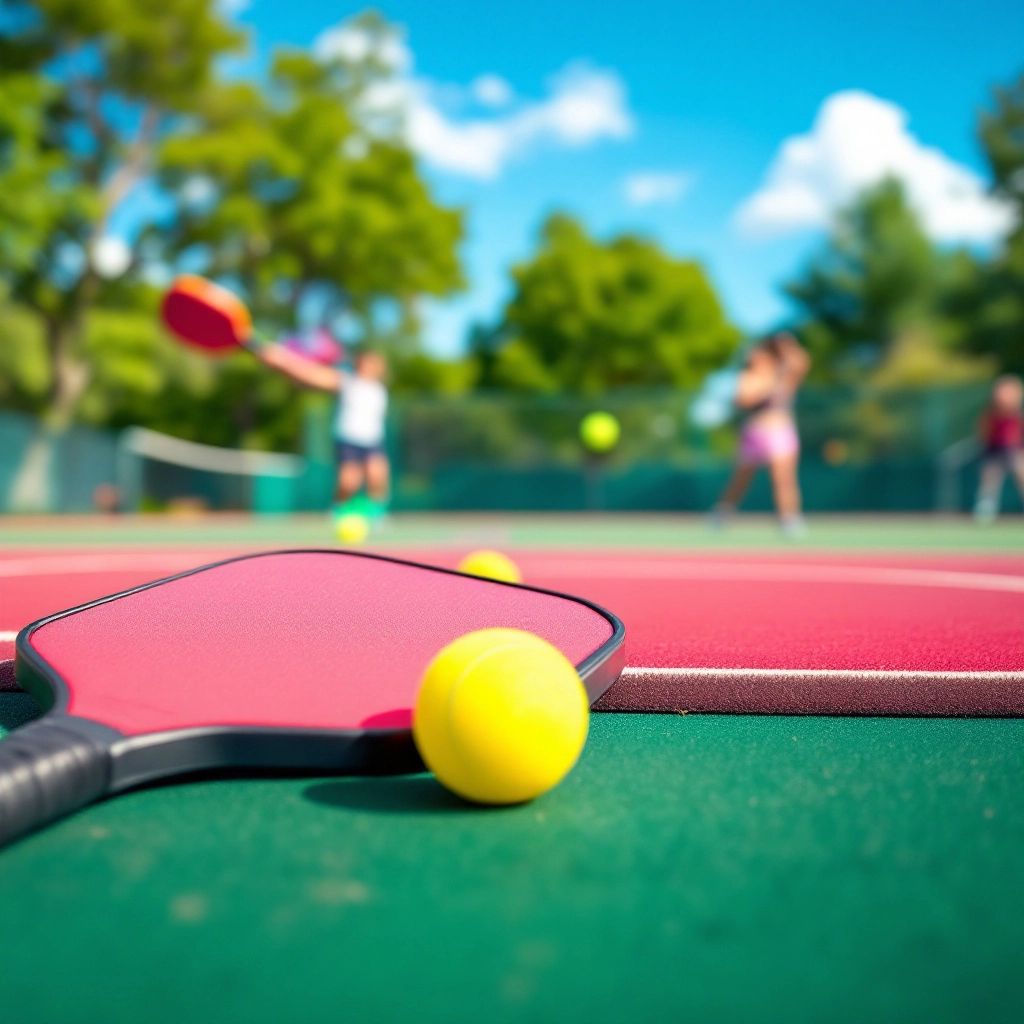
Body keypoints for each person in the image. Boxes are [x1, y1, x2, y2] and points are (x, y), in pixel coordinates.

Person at [257, 344, 390, 513]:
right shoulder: (347, 381)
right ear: (360, 362)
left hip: (373, 440)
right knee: (349, 482)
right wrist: (283, 361)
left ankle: (375, 516)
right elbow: (312, 374)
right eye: (367, 361)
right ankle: (339, 510)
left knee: (377, 477)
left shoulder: (380, 389)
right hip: (349, 438)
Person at [711, 332, 810, 536]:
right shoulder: (749, 377)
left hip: (780, 432)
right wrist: (767, 386)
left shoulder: (786, 374)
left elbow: (802, 362)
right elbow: (743, 399)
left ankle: (788, 519)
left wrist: (786, 346)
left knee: (783, 478)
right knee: (740, 479)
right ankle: (722, 513)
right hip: (755, 433)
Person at [974, 374, 1024, 524]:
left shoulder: (1017, 414)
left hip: (1013, 451)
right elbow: (983, 430)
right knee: (989, 483)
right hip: (994, 451)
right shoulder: (991, 413)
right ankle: (985, 513)